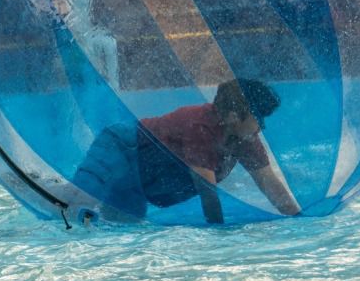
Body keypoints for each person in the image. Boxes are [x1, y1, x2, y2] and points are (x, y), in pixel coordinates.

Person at [72, 78, 302, 224]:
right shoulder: (200, 127)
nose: (262, 126)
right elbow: (208, 194)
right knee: (76, 203)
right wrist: (220, 238)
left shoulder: (245, 138)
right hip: (120, 148)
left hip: (141, 181)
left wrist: (298, 219)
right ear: (233, 116)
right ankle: (50, 185)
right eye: (259, 117)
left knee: (120, 227)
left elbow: (269, 183)